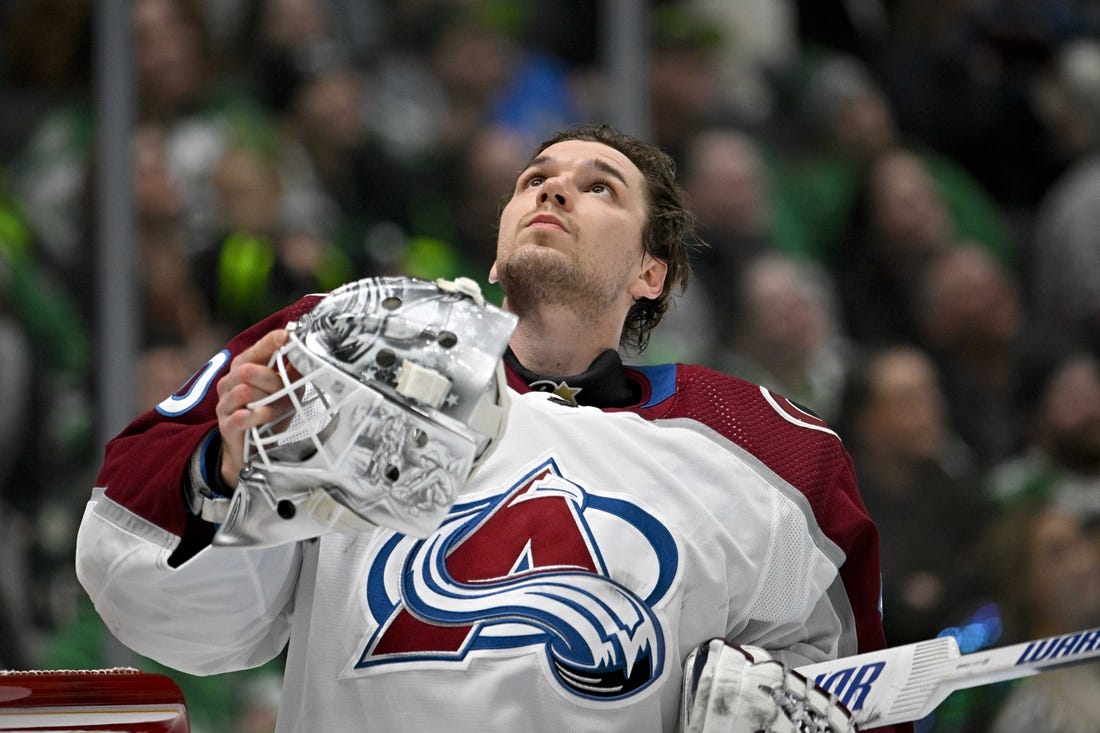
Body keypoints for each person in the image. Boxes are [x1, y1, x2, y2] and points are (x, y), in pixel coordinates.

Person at [75, 124, 901, 732]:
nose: (551, 190)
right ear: (499, 254)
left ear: (651, 272)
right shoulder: (354, 355)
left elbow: (850, 697)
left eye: (599, 186)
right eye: (533, 180)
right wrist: (225, 469)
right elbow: (162, 607)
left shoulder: (766, 452)